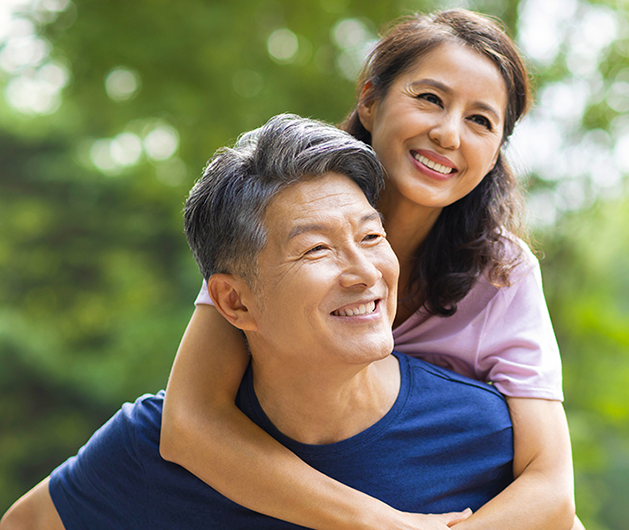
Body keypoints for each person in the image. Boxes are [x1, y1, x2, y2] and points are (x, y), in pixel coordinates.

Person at [160, 8, 582, 530]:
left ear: (496, 151)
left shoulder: (501, 272)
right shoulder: (277, 220)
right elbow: (189, 422)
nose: (449, 134)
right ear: (369, 98)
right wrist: (379, 524)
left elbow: (551, 488)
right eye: (430, 99)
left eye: (480, 120)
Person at [1, 114, 516, 529]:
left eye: (371, 237)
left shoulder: (479, 434)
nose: (365, 273)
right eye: (317, 249)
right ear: (234, 302)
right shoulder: (148, 448)